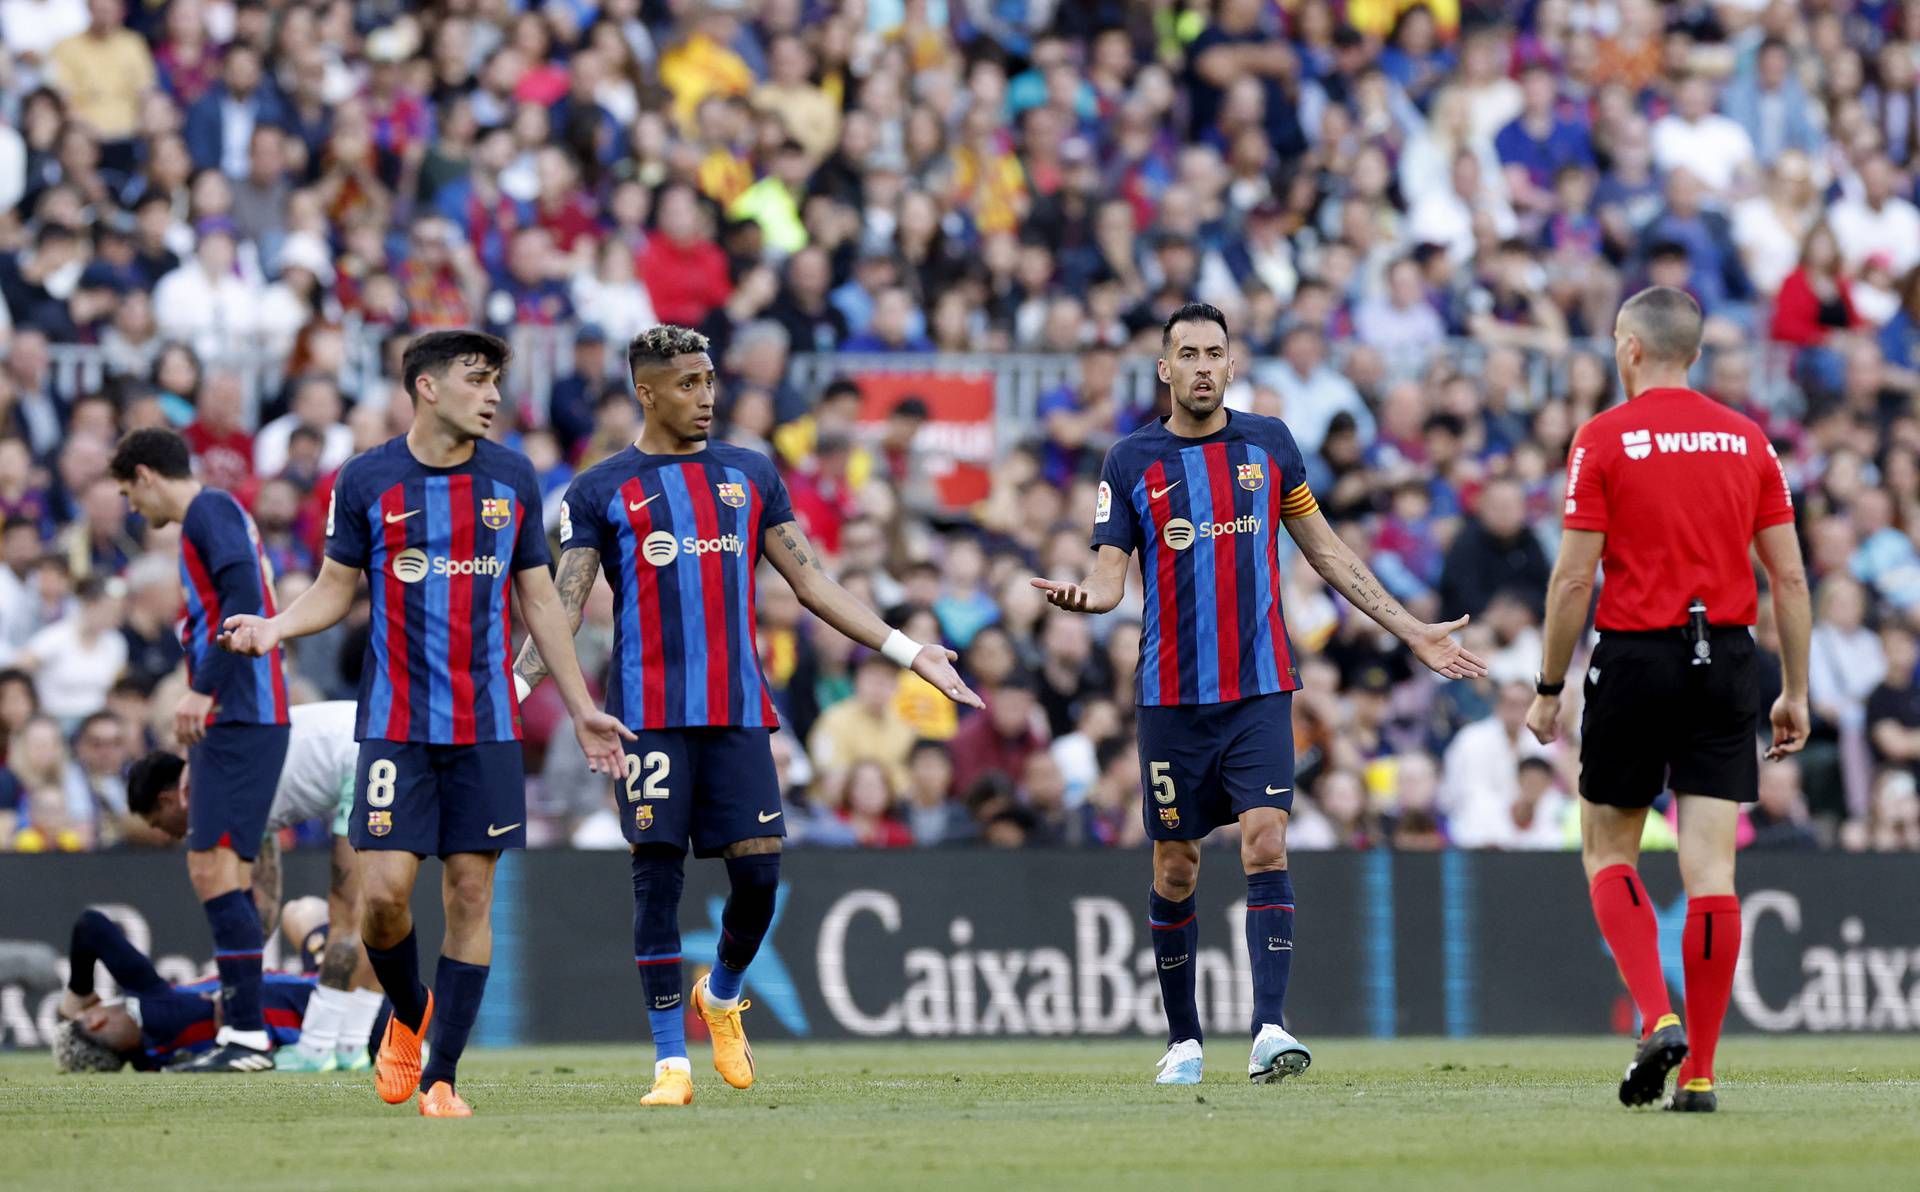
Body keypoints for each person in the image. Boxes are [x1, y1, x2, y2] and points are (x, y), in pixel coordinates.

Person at [511, 324, 981, 1108]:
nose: (707, 396)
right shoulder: (599, 489)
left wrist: (910, 651)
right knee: (655, 881)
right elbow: (558, 610)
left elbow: (814, 583)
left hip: (737, 710)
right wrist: (511, 692)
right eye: (688, 384)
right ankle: (670, 1065)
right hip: (647, 717)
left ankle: (721, 995)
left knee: (758, 877)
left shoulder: (749, 474)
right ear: (647, 390)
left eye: (709, 380)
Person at [1030, 303, 1486, 1087]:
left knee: (1267, 839)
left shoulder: (1269, 445)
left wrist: (1409, 628)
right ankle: (1183, 1041)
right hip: (1171, 701)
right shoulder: (1129, 460)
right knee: (1175, 866)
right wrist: (1086, 600)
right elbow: (1109, 581)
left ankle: (1271, 1029)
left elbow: (1329, 553)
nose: (1203, 365)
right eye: (1188, 354)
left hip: (1261, 689)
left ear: (1231, 365)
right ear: (1164, 369)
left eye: (1216, 352)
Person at [218, 330, 631, 1118]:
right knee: (382, 899)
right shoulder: (368, 479)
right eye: (478, 381)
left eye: (497, 383)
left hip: (486, 726)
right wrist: (275, 628)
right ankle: (410, 1015)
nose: (495, 397)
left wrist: (581, 709)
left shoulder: (511, 476)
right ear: (428, 387)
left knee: (471, 893)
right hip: (396, 725)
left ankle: (442, 1077)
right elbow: (338, 588)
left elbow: (540, 601)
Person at [1527, 285, 1812, 1114]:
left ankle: (1657, 1014)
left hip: (1636, 656)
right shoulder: (1748, 438)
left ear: (1629, 348)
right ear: (1693, 352)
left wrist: (1548, 690)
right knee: (1712, 870)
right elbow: (1788, 577)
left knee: (1608, 852)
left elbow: (1575, 576)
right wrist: (1793, 688)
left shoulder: (1603, 438)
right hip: (1726, 657)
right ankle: (1701, 1075)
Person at [109, 428, 290, 1073]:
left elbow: (242, 597)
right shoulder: (219, 513)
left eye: (130, 492)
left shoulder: (207, 512)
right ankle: (244, 1032)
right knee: (225, 873)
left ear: (147, 475)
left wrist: (202, 690)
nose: (134, 508)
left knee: (212, 868)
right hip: (247, 713)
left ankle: (245, 1036)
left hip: (242, 712)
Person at [126, 699, 386, 1073]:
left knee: (348, 912)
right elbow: (264, 907)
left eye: (157, 822)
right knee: (372, 912)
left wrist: (234, 992)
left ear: (168, 800)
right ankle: (350, 1047)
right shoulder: (221, 772)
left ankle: (316, 1050)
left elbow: (255, 908)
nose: (165, 834)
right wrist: (237, 988)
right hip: (374, 742)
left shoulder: (212, 792)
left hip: (366, 754)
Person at [53, 908, 313, 1073]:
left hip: (309, 1019)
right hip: (320, 996)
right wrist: (79, 993)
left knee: (300, 912)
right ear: (96, 1020)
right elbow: (90, 926)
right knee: (304, 911)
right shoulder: (154, 1003)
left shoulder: (155, 1061)